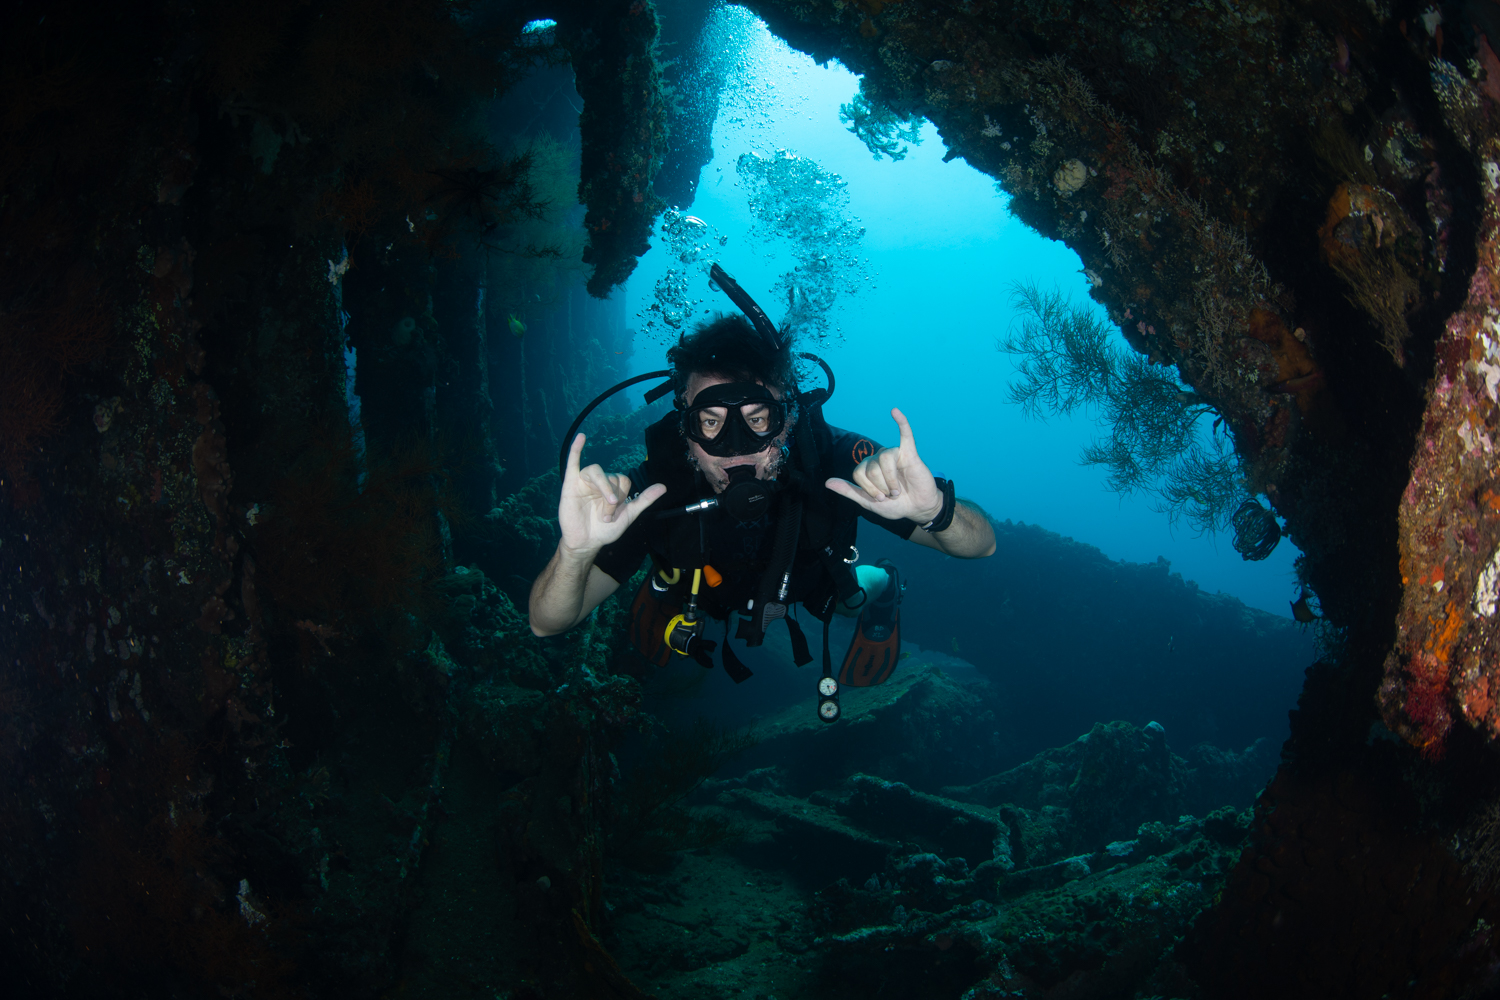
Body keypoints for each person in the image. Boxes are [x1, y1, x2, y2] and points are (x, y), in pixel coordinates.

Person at [528, 271, 995, 722]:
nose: (736, 450)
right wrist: (576, 552)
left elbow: (983, 545)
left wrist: (936, 509)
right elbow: (546, 623)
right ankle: (662, 588)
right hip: (700, 587)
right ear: (684, 431)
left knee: (848, 597)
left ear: (787, 419)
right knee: (673, 579)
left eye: (758, 420)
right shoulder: (651, 490)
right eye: (710, 422)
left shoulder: (834, 462)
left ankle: (883, 585)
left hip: (811, 583)